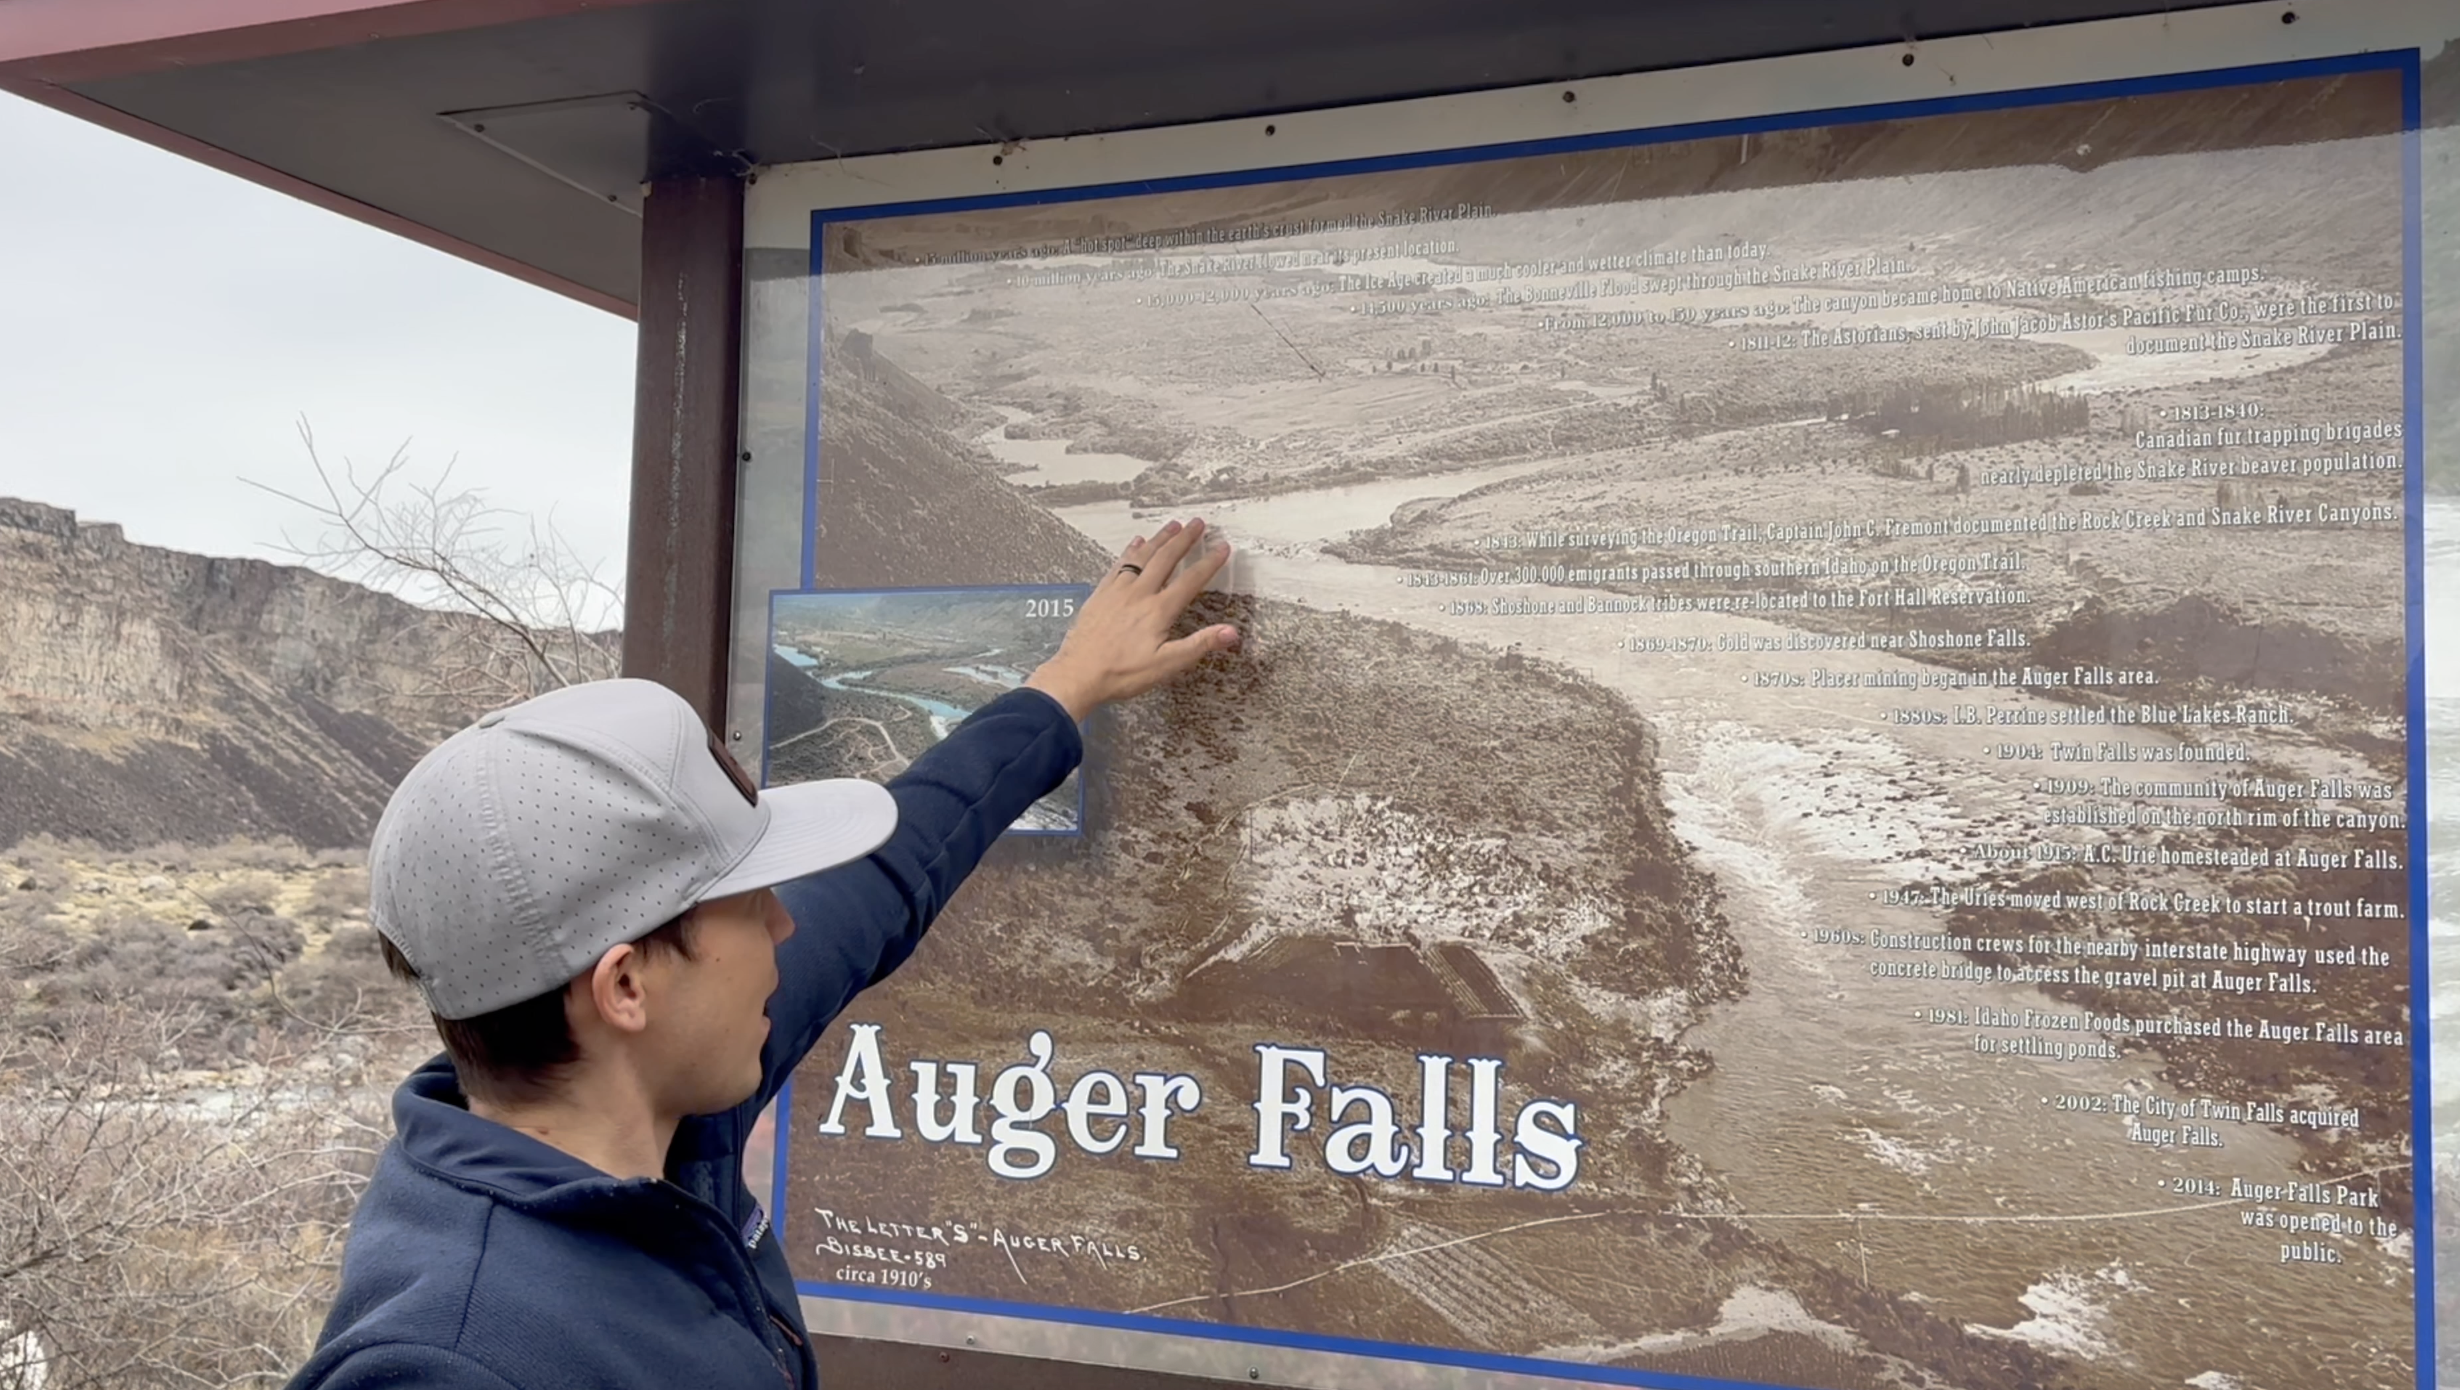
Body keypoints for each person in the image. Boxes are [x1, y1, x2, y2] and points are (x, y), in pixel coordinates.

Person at [285, 521, 1237, 1390]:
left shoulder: (662, 1104)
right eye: (751, 903)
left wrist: (1068, 685)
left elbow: (889, 874)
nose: (786, 925)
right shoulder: (452, 1361)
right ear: (625, 986)